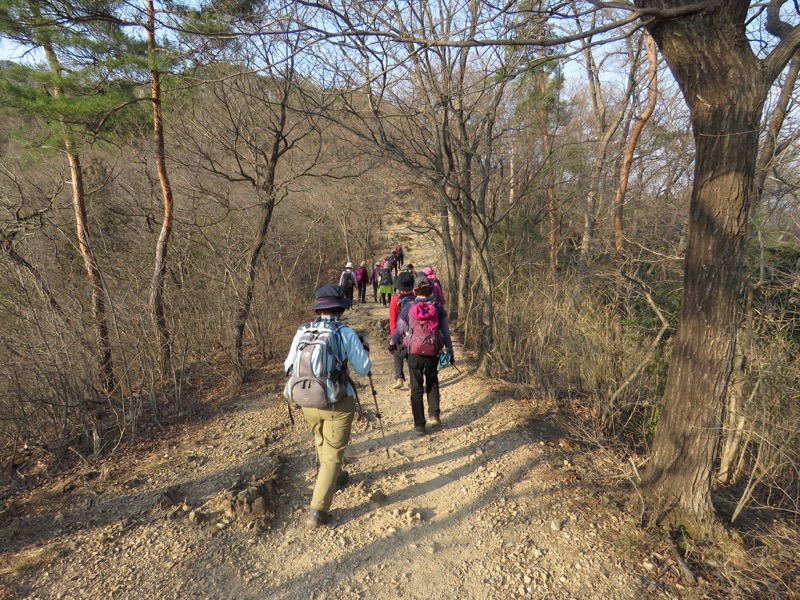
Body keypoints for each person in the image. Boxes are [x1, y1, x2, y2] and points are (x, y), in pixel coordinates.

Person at [284, 285, 372, 527]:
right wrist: (364, 350)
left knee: (321, 440)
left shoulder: (303, 330)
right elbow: (364, 369)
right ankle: (318, 510)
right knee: (333, 454)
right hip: (337, 401)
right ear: (339, 309)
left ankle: (335, 478)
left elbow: (287, 366)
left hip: (304, 399)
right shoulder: (344, 332)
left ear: (319, 308)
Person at [389, 274, 454, 435]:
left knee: (416, 387)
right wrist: (450, 352)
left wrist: (392, 343)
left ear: (415, 290)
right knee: (432, 382)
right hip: (432, 351)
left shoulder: (408, 308)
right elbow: (446, 333)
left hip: (414, 352)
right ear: (430, 289)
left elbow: (399, 330)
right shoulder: (437, 307)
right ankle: (434, 416)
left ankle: (419, 424)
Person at [388, 270, 415, 389]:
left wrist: (393, 335)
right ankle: (413, 380)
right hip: (413, 332)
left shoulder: (395, 299)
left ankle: (399, 378)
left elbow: (392, 318)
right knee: (411, 355)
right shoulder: (415, 298)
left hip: (399, 332)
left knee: (398, 355)